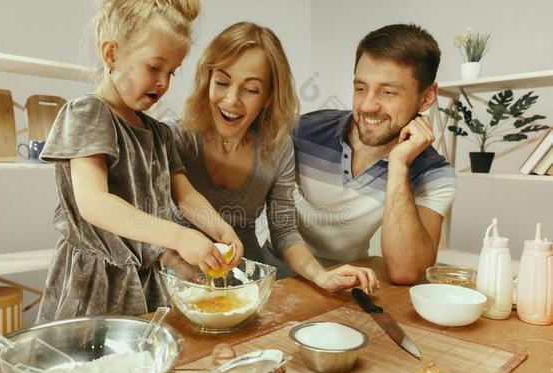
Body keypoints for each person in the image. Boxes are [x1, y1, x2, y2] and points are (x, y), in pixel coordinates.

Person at [36, 0, 243, 324]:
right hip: (92, 287)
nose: (163, 82)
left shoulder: (159, 134)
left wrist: (220, 229)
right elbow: (94, 203)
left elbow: (185, 197)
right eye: (153, 67)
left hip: (144, 283)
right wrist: (178, 237)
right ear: (111, 54)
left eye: (171, 72)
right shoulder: (88, 114)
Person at [165, 22, 379, 294]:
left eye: (251, 89)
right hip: (178, 282)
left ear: (268, 96)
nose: (231, 100)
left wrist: (322, 276)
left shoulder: (277, 148)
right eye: (222, 82)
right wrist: (177, 265)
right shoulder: (175, 137)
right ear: (208, 79)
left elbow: (283, 231)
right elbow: (143, 228)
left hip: (245, 283)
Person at [292, 24, 456, 284]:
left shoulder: (434, 173)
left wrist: (399, 165)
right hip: (281, 275)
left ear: (426, 97)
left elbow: (407, 271)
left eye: (388, 92)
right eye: (360, 88)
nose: (367, 105)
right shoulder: (302, 131)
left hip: (351, 279)